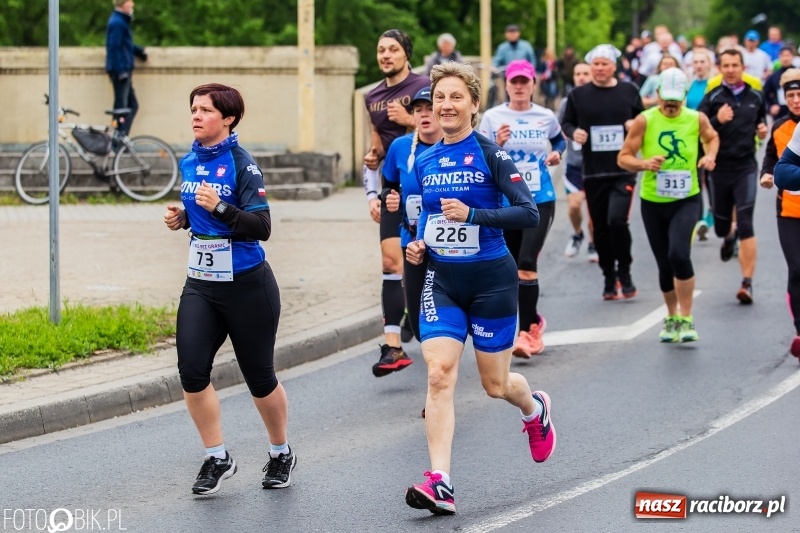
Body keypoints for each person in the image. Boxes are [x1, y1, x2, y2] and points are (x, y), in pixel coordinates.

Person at [403, 62, 555, 515]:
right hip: (443, 281)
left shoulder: (491, 154)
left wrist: (473, 216)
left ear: (473, 104)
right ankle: (441, 482)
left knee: (495, 384)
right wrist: (418, 245)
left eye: (455, 97)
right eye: (439, 98)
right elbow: (427, 218)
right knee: (438, 374)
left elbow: (527, 213)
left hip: (491, 281)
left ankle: (534, 409)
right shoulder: (424, 158)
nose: (445, 106)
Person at [163, 83, 295, 495]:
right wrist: (184, 217)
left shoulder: (243, 164)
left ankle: (280, 451)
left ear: (229, 118)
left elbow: (262, 227)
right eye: (194, 109)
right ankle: (217, 456)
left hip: (247, 285)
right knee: (191, 370)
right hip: (201, 284)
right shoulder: (189, 160)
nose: (196, 116)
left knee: (259, 376)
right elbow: (200, 211)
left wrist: (218, 207)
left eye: (205, 110)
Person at [618, 68, 719, 342]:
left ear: (685, 96)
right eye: (667, 99)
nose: (671, 105)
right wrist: (643, 164)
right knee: (664, 264)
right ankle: (672, 316)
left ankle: (687, 317)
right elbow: (623, 157)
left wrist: (709, 156)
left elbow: (712, 138)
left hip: (687, 198)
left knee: (679, 254)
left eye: (677, 99)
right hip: (653, 200)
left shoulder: (696, 119)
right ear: (658, 94)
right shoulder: (644, 121)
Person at [479, 59, 565, 357]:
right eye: (513, 81)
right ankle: (533, 320)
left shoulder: (545, 116)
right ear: (506, 84)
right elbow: (479, 156)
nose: (518, 87)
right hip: (506, 202)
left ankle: (527, 333)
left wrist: (556, 155)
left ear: (532, 85)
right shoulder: (491, 117)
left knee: (527, 263)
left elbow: (559, 141)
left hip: (539, 198)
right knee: (510, 269)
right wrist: (496, 144)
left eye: (523, 82)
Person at [363, 29, 430, 377]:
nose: (386, 55)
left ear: (406, 53)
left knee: (422, 263)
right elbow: (374, 148)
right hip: (394, 189)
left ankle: (416, 316)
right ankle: (393, 347)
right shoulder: (372, 96)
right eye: (380, 50)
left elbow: (445, 127)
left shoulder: (424, 86)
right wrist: (372, 189)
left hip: (430, 186)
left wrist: (409, 121)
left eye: (393, 49)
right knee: (392, 262)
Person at [561, 44, 644, 300]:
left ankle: (626, 272)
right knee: (601, 229)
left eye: (604, 64)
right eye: (595, 64)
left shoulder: (629, 91)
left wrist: (635, 124)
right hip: (593, 172)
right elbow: (566, 122)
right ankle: (609, 277)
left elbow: (644, 119)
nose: (599, 68)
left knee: (617, 221)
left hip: (622, 170)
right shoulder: (579, 95)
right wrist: (574, 132)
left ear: (614, 66)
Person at [698, 49, 768, 303]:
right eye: (725, 65)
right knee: (721, 226)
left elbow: (761, 124)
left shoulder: (755, 96)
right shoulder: (713, 97)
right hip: (719, 169)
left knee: (747, 222)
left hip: (746, 167)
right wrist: (718, 119)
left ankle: (746, 284)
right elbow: (699, 129)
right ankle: (728, 237)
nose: (730, 70)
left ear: (743, 66)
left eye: (734, 65)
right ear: (719, 68)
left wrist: (762, 131)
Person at [383, 86, 444, 345]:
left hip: (450, 242)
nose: (425, 114)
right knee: (420, 321)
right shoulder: (400, 147)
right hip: (414, 242)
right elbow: (388, 185)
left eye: (430, 108)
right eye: (418, 110)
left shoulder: (454, 147)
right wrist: (388, 197)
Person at [759, 69, 800, 360]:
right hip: (790, 209)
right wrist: (767, 174)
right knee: (797, 270)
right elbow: (778, 165)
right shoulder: (787, 128)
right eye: (792, 95)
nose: (797, 100)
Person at [558, 62, 599, 263]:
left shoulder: (600, 99)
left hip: (595, 164)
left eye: (585, 73)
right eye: (578, 74)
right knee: (574, 205)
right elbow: (560, 127)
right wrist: (572, 133)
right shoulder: (568, 102)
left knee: (593, 211)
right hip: (574, 164)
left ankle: (593, 243)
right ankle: (577, 233)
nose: (581, 77)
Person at [105, 0, 147, 140]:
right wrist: (121, 71)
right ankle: (117, 142)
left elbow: (125, 44)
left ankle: (121, 139)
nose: (132, 5)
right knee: (121, 108)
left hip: (122, 70)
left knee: (130, 106)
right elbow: (114, 47)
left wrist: (139, 51)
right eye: (130, 2)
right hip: (121, 71)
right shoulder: (117, 22)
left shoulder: (120, 21)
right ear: (123, 4)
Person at [764, 45, 798, 121]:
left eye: (788, 55)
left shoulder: (798, 74)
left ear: (792, 56)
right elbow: (764, 94)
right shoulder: (773, 77)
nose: (785, 58)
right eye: (783, 56)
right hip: (780, 114)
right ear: (779, 57)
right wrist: (770, 107)